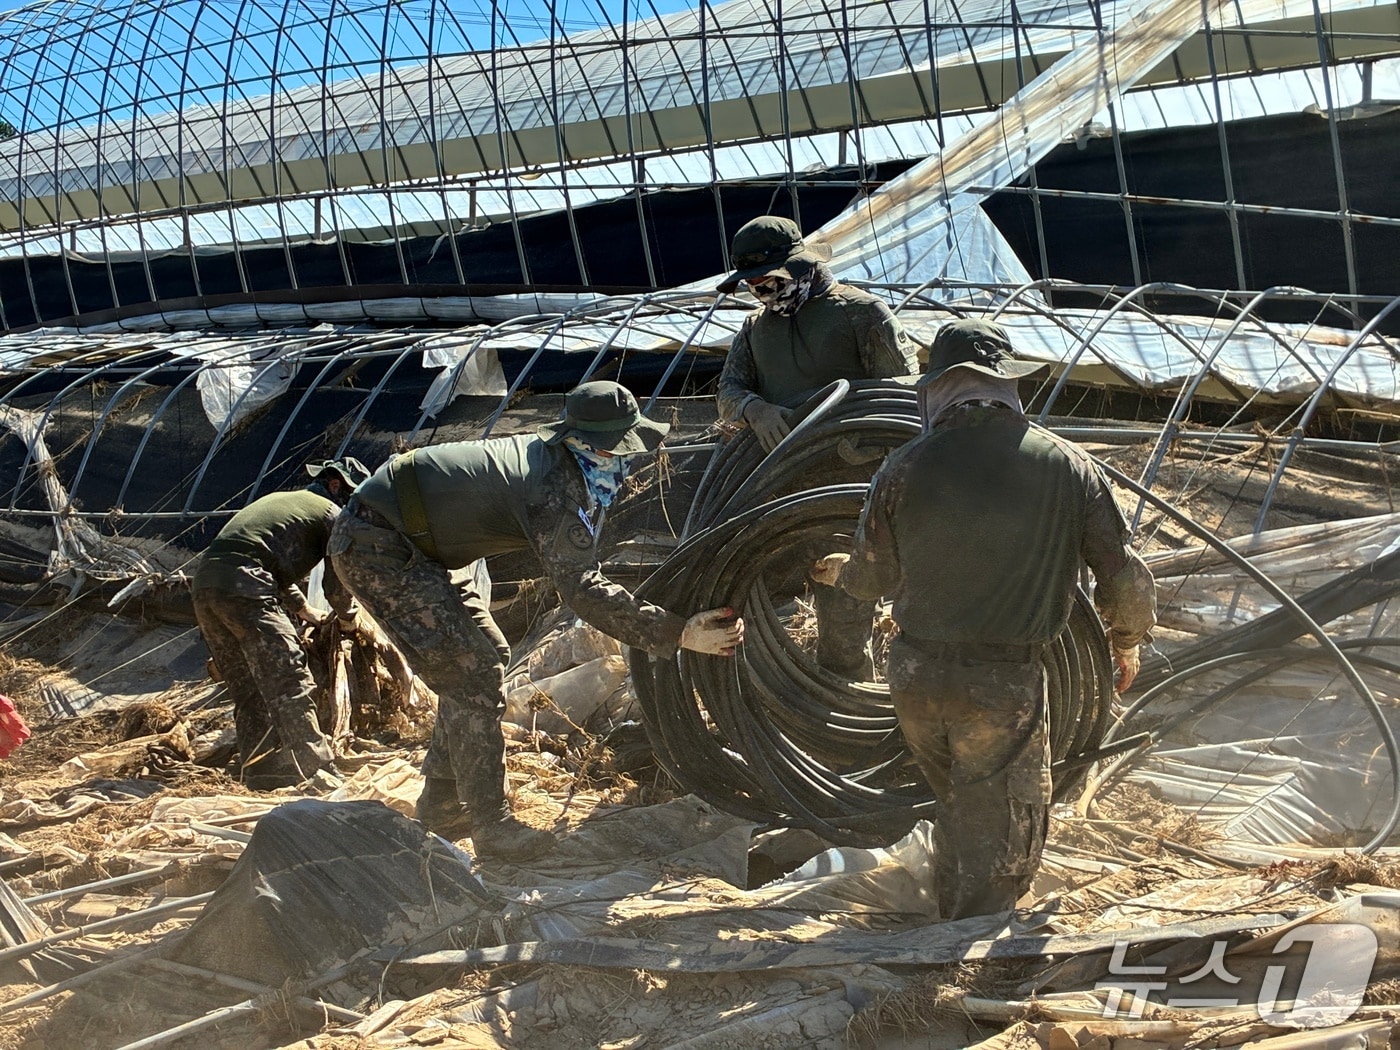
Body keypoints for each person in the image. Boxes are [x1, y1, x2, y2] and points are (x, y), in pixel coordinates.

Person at [810, 319, 1156, 920]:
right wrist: (1125, 642)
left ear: (937, 389)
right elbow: (1123, 578)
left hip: (915, 675)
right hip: (1002, 686)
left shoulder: (902, 465)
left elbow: (870, 581)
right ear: (1007, 387)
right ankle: (964, 955)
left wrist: (839, 570)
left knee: (956, 801)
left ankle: (948, 911)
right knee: (1005, 828)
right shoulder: (1070, 466)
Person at [329, 380, 744, 861]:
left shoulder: (562, 464)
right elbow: (583, 589)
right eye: (619, 450)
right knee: (471, 675)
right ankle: (492, 829)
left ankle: (441, 800)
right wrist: (677, 632)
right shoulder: (554, 489)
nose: (629, 462)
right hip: (379, 546)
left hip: (419, 543)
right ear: (584, 445)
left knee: (487, 656)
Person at [715, 215, 919, 678]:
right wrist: (753, 408)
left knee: (843, 630)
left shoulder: (860, 313)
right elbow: (726, 393)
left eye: (767, 280)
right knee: (745, 610)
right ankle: (773, 704)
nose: (759, 291)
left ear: (798, 267)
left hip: (850, 497)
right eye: (751, 283)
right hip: (777, 495)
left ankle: (844, 720)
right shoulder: (755, 329)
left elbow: (904, 395)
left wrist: (859, 439)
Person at [193, 458, 371, 788]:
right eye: (352, 499)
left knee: (248, 688)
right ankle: (318, 768)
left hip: (205, 586)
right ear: (335, 486)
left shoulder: (286, 503)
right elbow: (337, 584)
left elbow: (274, 566)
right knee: (289, 679)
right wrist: (348, 620)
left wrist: (303, 610)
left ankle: (259, 769)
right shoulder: (331, 515)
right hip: (245, 585)